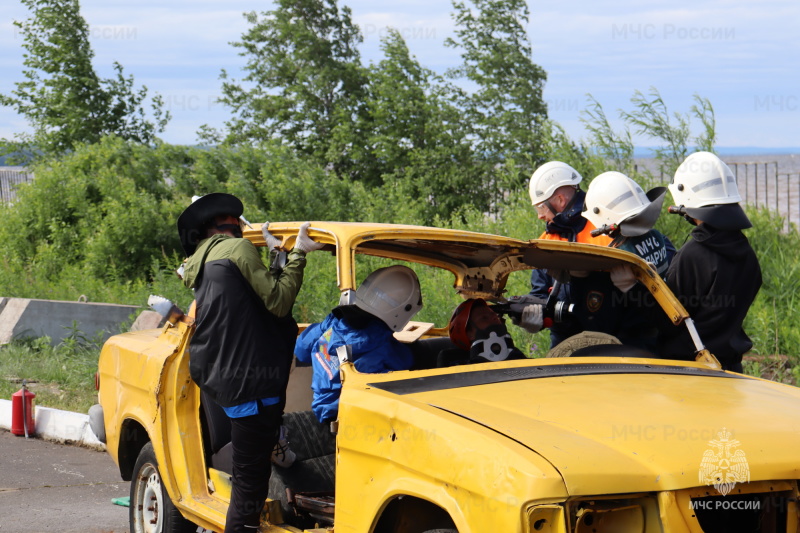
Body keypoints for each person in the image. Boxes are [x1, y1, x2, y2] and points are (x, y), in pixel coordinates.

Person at [177, 193, 324, 532]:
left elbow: (253, 297)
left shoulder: (203, 259)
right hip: (251, 384)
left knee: (251, 468)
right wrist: (299, 253)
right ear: (231, 224)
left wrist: (277, 255)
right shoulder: (239, 249)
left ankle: (276, 441)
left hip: (223, 377)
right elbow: (278, 301)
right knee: (250, 482)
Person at [659, 152, 762, 372]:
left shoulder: (693, 255)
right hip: (731, 367)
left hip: (691, 369)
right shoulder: (746, 251)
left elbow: (671, 320)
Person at [294, 265, 423, 425]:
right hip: (358, 416)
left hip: (324, 411)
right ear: (399, 312)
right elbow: (407, 364)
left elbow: (301, 351)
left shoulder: (332, 323)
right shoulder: (383, 344)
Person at [578, 171, 677, 351]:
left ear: (601, 215)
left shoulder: (616, 258)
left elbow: (598, 325)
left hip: (628, 352)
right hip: (663, 340)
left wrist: (579, 281)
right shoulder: (659, 238)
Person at [522, 162, 612, 347]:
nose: (539, 216)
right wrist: (532, 317)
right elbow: (539, 292)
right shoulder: (546, 240)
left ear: (561, 200)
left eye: (541, 207)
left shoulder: (604, 228)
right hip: (564, 342)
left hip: (611, 338)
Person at [444, 298, 525, 365]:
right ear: (469, 334)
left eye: (494, 315)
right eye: (484, 318)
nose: (494, 318)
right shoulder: (458, 372)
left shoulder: (517, 355)